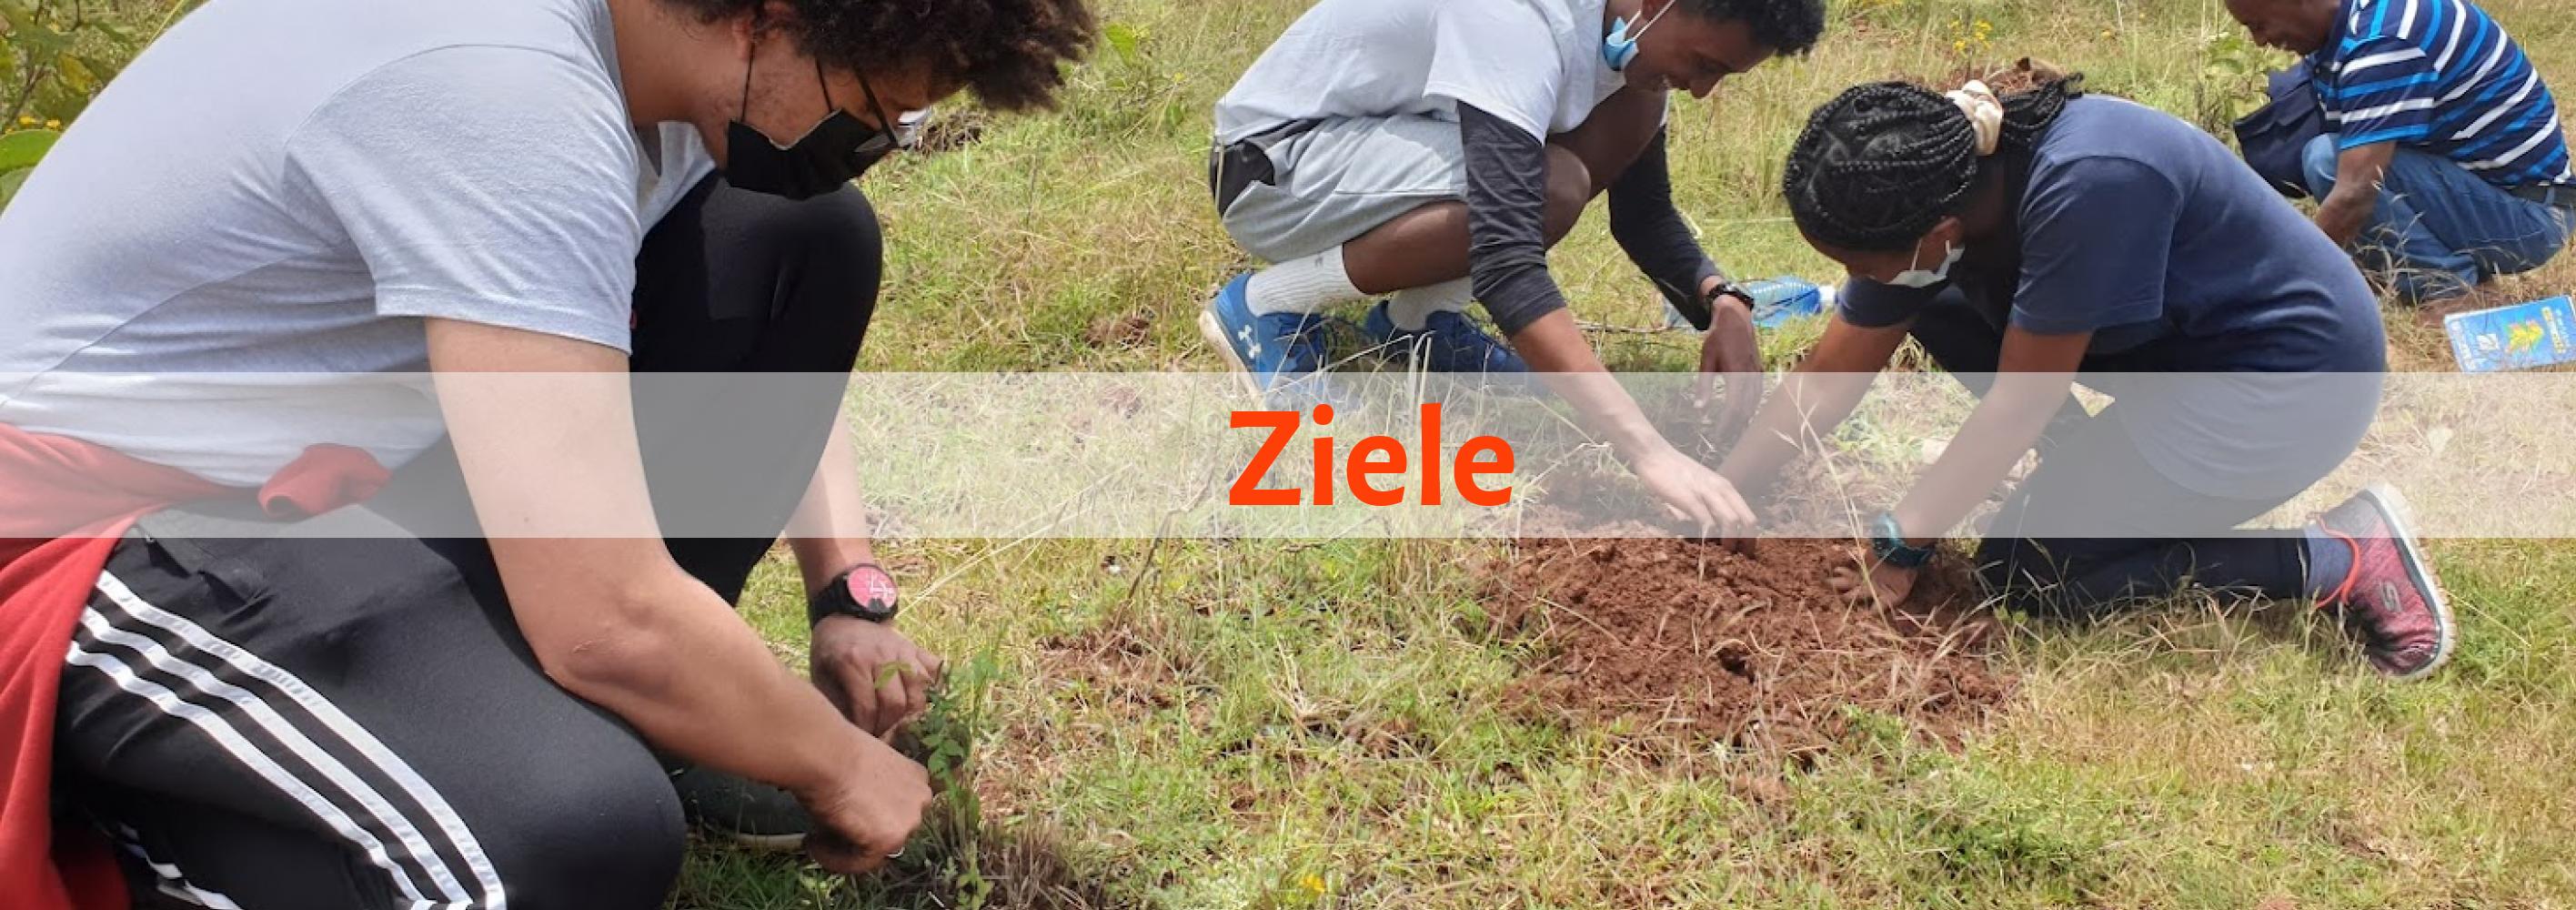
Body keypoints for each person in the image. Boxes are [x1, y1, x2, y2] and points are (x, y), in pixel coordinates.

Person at [0, 0, 1093, 905]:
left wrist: (845, 590)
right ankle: (162, 823)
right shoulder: (505, 95)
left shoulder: (642, 64)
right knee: (564, 834)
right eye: (871, 113)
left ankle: (609, 717)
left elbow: (759, 379)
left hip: (321, 471)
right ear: (767, 17)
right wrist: (840, 762)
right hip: (89, 526)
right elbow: (605, 617)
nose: (879, 147)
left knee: (795, 238)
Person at [1718, 76, 2460, 680]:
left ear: (1938, 234)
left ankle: (2338, 556)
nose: (1854, 281)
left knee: (2027, 574)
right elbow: (1831, 373)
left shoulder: (2090, 184)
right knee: (1932, 303)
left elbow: (2017, 404)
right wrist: (1725, 492)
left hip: (2285, 385)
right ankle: (2089, 469)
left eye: (1860, 265)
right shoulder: (1936, 185)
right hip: (2184, 359)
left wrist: (1901, 544)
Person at [1200, 0, 1828, 538]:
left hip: (1374, 150)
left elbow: (1645, 217)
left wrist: (1721, 298)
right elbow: (1506, 258)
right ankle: (1264, 304)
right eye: (1704, 63)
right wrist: (1649, 452)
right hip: (1275, 169)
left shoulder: (1633, 55)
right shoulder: (1522, 17)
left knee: (1568, 167)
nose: (1701, 89)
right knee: (1548, 187)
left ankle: (1415, 324)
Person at [2225, 0, 2576, 303]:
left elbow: (2354, 194)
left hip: (2531, 219)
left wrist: (2280, 286)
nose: (2259, 41)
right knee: (2323, 159)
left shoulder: (2383, 41)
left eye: (2259, 24)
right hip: (2486, 191)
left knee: (2328, 162)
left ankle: (2448, 291)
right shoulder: (2354, 21)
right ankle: (2453, 277)